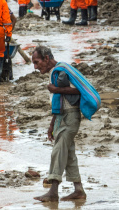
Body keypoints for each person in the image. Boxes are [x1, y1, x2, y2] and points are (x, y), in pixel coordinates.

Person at [32, 46, 86, 202]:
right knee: (68, 154)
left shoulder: (61, 71)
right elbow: (59, 102)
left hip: (70, 117)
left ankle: (53, 191)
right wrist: (52, 125)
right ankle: (79, 190)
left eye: (37, 62)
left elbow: (78, 90)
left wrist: (56, 89)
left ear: (47, 59)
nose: (35, 67)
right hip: (62, 117)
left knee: (58, 151)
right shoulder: (55, 72)